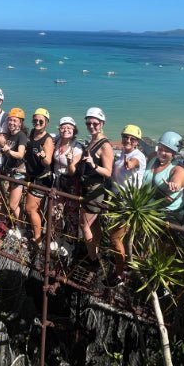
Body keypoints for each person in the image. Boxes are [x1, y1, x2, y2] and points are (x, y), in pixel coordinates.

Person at [107, 124, 147, 285]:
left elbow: (133, 163)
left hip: (128, 203)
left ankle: (120, 273)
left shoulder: (138, 156)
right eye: (125, 137)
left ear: (137, 142)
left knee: (115, 238)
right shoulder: (122, 153)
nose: (128, 140)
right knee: (119, 238)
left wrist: (129, 164)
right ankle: (121, 264)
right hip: (117, 200)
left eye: (133, 139)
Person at [76, 107, 114, 271]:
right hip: (88, 187)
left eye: (95, 124)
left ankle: (92, 260)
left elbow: (108, 172)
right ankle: (96, 252)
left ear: (102, 124)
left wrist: (93, 165)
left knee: (84, 225)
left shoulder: (105, 145)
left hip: (96, 190)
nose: (91, 126)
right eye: (88, 123)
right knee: (94, 226)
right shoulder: (92, 140)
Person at [0, 107, 29, 239]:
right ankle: (9, 222)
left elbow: (20, 154)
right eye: (10, 120)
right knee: (2, 198)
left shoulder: (21, 136)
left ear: (20, 122)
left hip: (18, 173)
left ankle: (21, 229)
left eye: (15, 121)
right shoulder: (10, 135)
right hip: (8, 171)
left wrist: (8, 151)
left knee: (13, 204)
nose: (11, 123)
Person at [142, 131, 184, 224]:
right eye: (160, 149)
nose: (162, 153)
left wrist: (175, 184)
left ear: (174, 153)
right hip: (147, 209)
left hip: (168, 214)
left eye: (167, 151)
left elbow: (179, 178)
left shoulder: (177, 168)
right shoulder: (153, 157)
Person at [24, 108, 55, 248]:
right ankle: (38, 233)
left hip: (42, 179)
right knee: (37, 210)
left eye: (41, 121)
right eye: (35, 120)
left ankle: (37, 239)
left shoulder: (47, 140)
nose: (37, 123)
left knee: (30, 209)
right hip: (32, 176)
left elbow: (47, 161)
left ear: (46, 123)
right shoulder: (32, 133)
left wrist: (43, 156)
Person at [52, 117, 83, 255]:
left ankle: (69, 243)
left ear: (74, 130)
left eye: (69, 127)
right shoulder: (57, 141)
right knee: (55, 211)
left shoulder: (77, 147)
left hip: (71, 183)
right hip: (57, 181)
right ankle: (57, 237)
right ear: (59, 129)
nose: (66, 130)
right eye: (63, 127)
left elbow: (73, 172)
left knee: (71, 214)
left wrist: (70, 162)